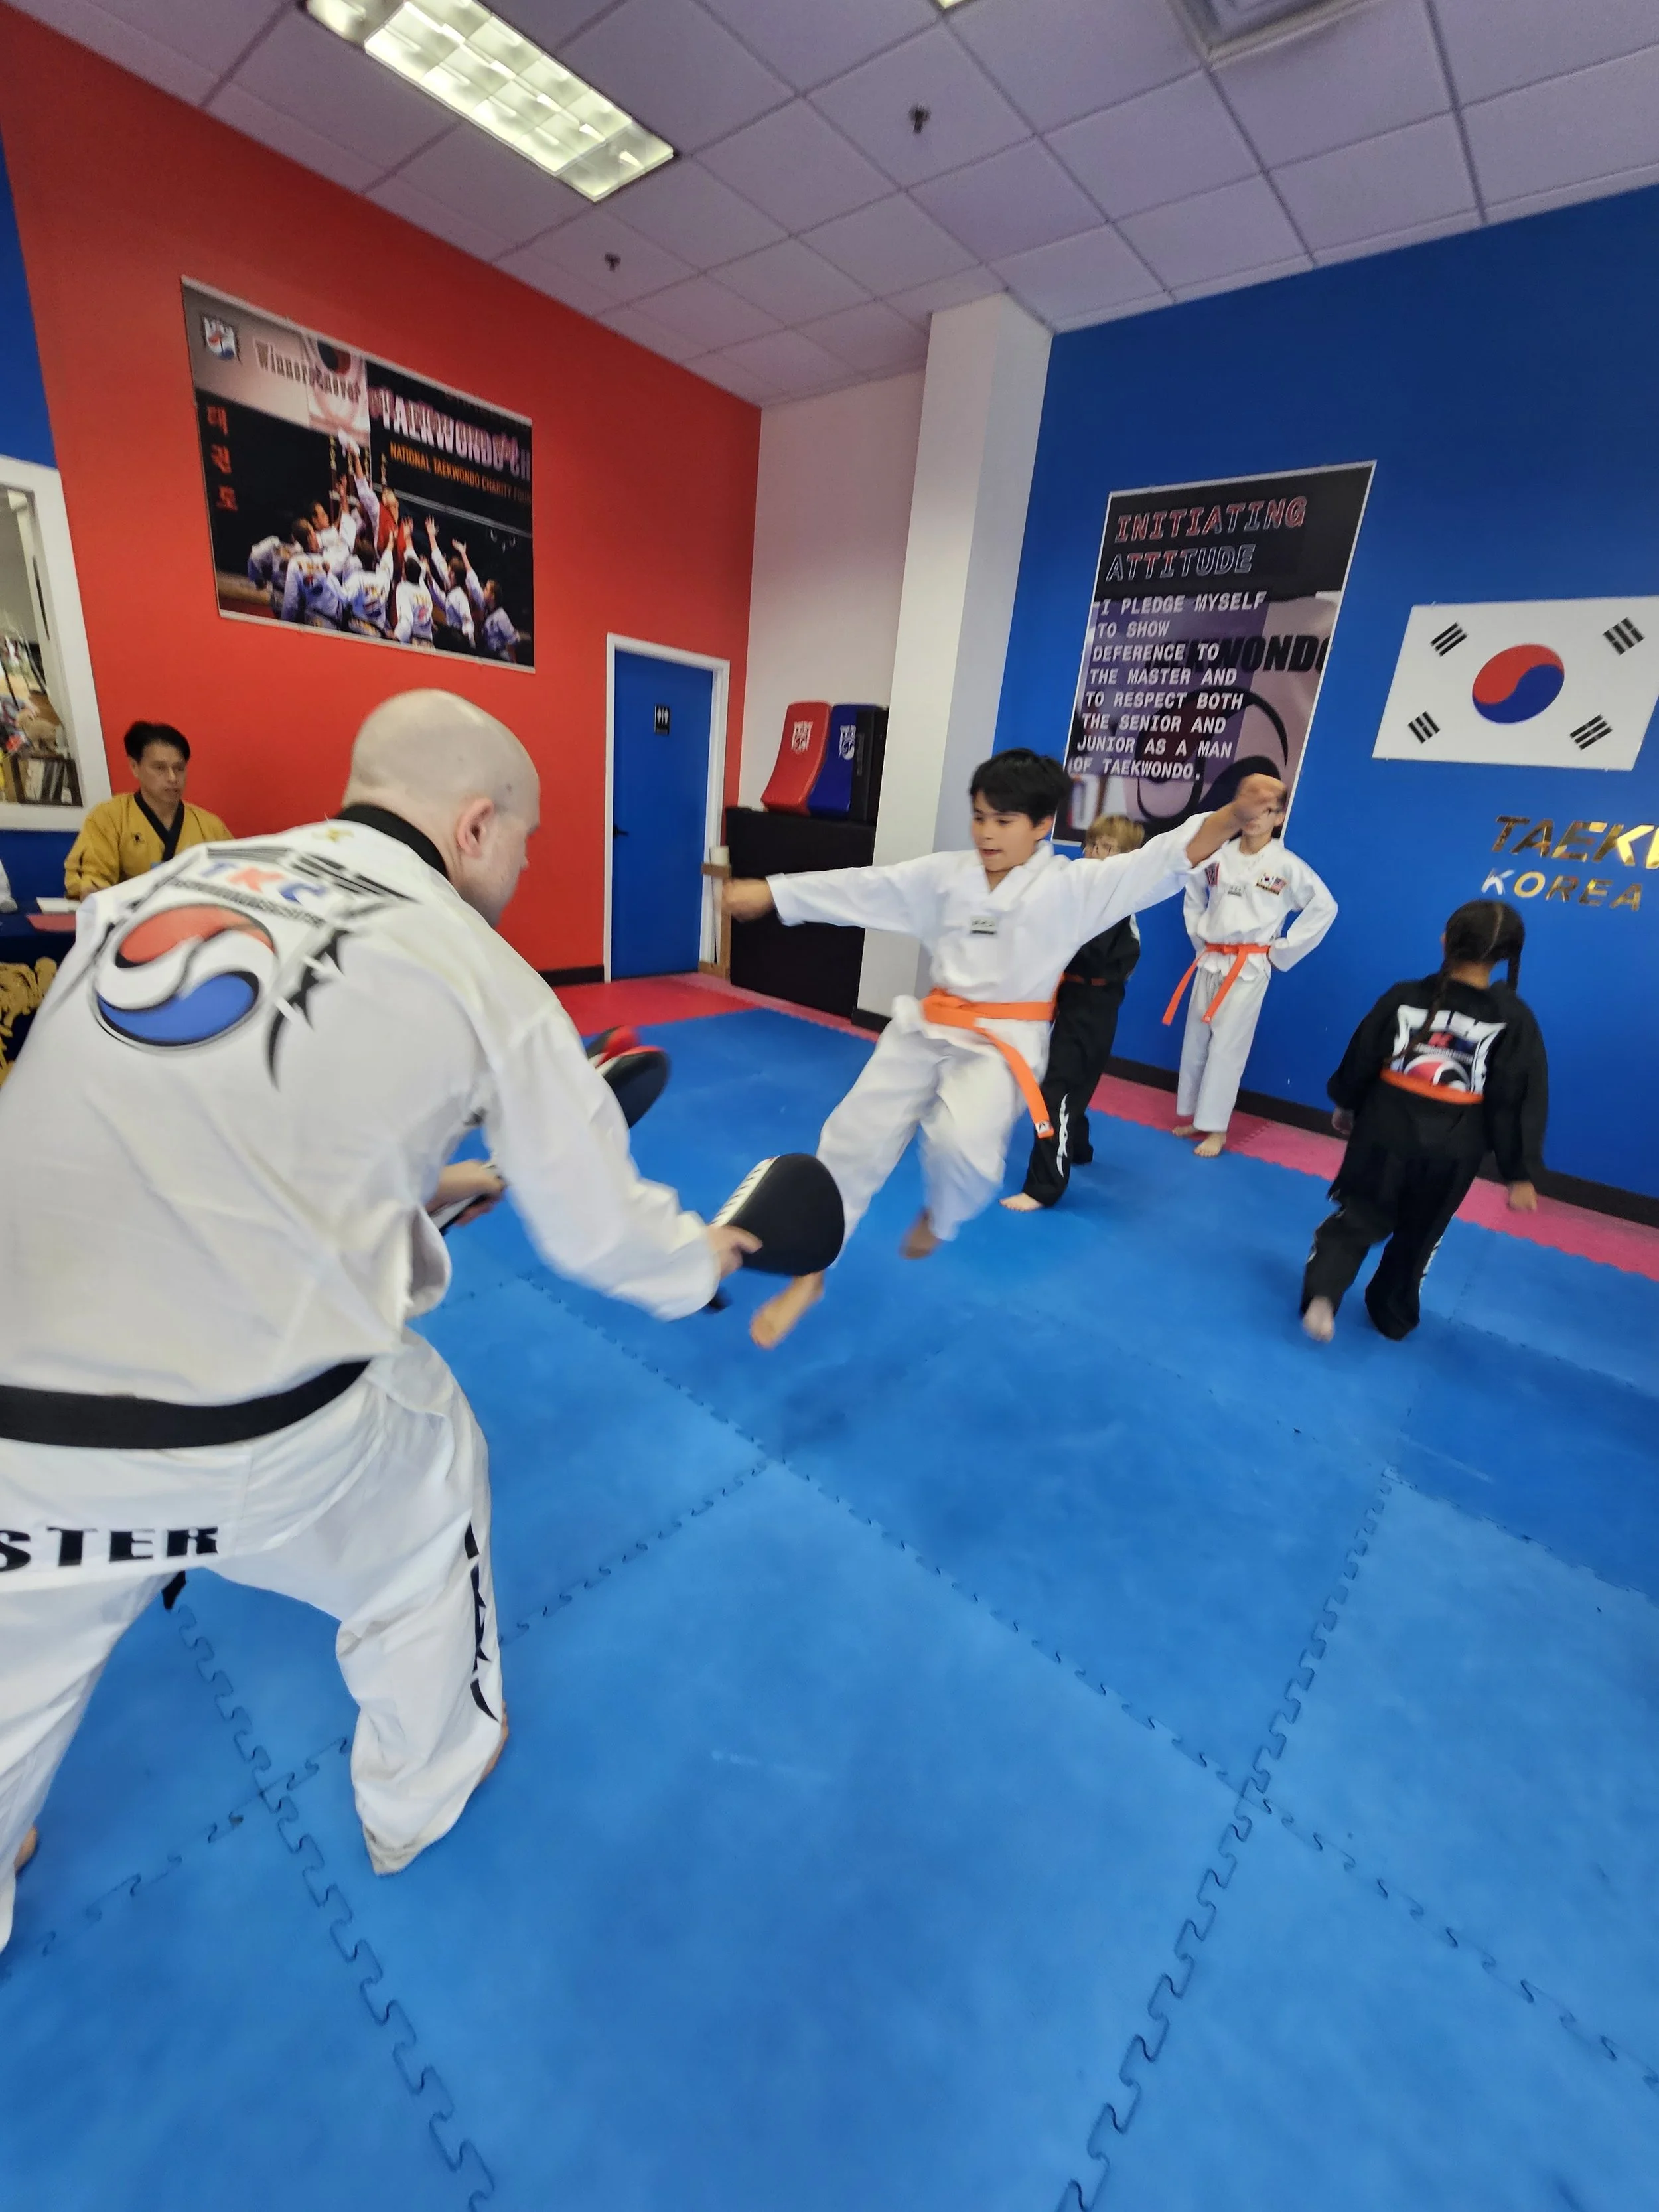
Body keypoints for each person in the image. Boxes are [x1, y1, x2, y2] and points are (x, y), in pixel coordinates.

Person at [0, 690, 757, 1951]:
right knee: (433, 1473)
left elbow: (196, 1122)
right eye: (526, 842)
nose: (523, 868)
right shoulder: (478, 967)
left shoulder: (155, 891)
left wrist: (434, 1182)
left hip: (13, 1405)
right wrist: (706, 1259)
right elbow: (602, 1235)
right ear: (475, 825)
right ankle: (422, 1783)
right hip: (241, 1431)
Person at [723, 750, 1287, 1346]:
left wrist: (1231, 815)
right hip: (928, 1025)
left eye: (1004, 820)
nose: (986, 833)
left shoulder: (1072, 888)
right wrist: (775, 893)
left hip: (1002, 1046)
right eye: (979, 817)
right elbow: (866, 888)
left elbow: (1164, 858)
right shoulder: (947, 877)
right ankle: (811, 1274)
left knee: (962, 1148)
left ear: (1043, 824)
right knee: (849, 1138)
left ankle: (942, 1215)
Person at [1301, 899, 1544, 1345]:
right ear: (1507, 955)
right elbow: (1515, 1101)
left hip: (1385, 1128)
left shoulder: (1404, 996)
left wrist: (1347, 1104)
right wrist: (1518, 1173)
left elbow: (1363, 1055)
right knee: (1421, 1235)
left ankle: (1324, 1293)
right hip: (1455, 1147)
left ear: (1445, 941)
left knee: (1359, 1216)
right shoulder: (1515, 1019)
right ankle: (1392, 1314)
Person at [1162, 790, 1336, 1157]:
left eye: (1267, 810)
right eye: (1253, 809)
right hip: (1211, 958)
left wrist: (1282, 951)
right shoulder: (1218, 857)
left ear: (1279, 817)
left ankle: (1217, 1128)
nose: (1257, 817)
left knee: (1227, 1047)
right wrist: (1200, 940)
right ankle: (1196, 1116)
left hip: (1250, 965)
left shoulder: (1287, 866)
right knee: (1197, 1041)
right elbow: (1193, 895)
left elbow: (1325, 907)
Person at [1002, 812, 1145, 1213]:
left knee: (1057, 1091)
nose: (1094, 853)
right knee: (1070, 1080)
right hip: (1072, 997)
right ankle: (1077, 1147)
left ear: (1127, 859)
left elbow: (1090, 953)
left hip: (1092, 1007)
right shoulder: (1085, 894)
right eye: (1092, 845)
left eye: (1107, 848)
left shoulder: (1115, 903)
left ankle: (1044, 1187)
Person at [63, 722, 230, 899]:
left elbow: (235, 879)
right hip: (129, 914)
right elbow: (90, 879)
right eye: (160, 768)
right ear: (135, 767)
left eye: (179, 768)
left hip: (194, 913)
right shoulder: (109, 818)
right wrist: (93, 892)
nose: (172, 778)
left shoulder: (211, 826)